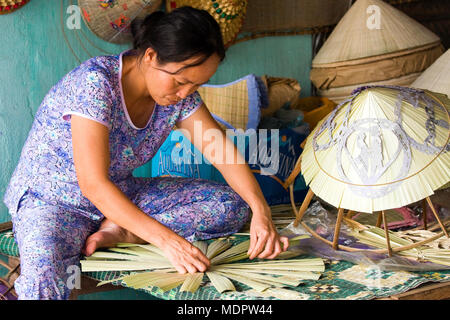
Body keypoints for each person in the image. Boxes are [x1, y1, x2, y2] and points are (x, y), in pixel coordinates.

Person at [3, 6, 289, 300]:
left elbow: (220, 151)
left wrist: (261, 211)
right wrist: (167, 240)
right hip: (53, 201)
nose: (185, 93)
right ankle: (126, 226)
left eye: (196, 84)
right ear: (151, 56)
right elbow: (92, 184)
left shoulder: (180, 97)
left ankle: (125, 230)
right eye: (180, 81)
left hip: (120, 196)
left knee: (231, 206)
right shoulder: (95, 83)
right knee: (44, 277)